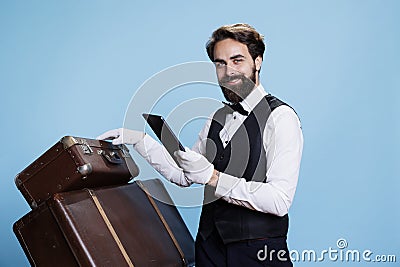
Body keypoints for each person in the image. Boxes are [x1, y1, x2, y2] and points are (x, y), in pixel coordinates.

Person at [97, 23, 303, 267]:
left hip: (258, 251)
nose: (228, 72)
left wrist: (214, 178)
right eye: (220, 63)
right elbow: (184, 174)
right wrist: (140, 141)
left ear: (257, 61)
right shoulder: (215, 118)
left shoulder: (281, 118)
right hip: (208, 247)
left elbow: (279, 201)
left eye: (237, 60)